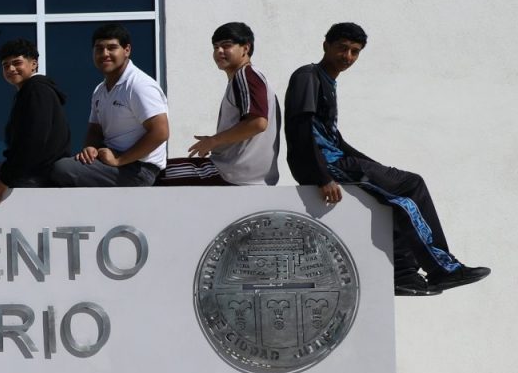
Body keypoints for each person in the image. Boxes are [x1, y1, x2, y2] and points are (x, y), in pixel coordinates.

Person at [284, 22, 488, 297]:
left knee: (402, 195)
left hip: (334, 160)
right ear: (326, 46)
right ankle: (442, 269)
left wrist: (373, 165)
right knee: (409, 188)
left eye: (355, 51)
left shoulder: (327, 81)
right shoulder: (307, 76)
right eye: (342, 48)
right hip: (326, 164)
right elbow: (301, 128)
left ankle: (404, 276)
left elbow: (333, 137)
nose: (348, 56)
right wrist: (322, 177)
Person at [48, 23, 169, 187]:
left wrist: (119, 160)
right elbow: (95, 130)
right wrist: (90, 148)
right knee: (53, 166)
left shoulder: (139, 85)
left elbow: (160, 132)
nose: (105, 54)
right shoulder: (100, 90)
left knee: (60, 169)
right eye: (99, 48)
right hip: (110, 162)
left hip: (138, 169)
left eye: (112, 48)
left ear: (127, 50)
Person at [161, 22, 280, 186]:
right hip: (248, 175)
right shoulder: (250, 77)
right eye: (215, 47)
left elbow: (258, 122)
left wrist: (213, 141)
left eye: (226, 46)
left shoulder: (245, 75)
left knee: (152, 173)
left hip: (232, 173)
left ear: (245, 48)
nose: (219, 51)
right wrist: (215, 142)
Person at [0, 38, 72, 206]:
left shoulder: (37, 89)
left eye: (17, 63)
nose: (11, 69)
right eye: (5, 65)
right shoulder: (29, 91)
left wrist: (6, 178)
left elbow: (34, 139)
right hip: (31, 170)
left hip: (38, 173)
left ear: (34, 64)